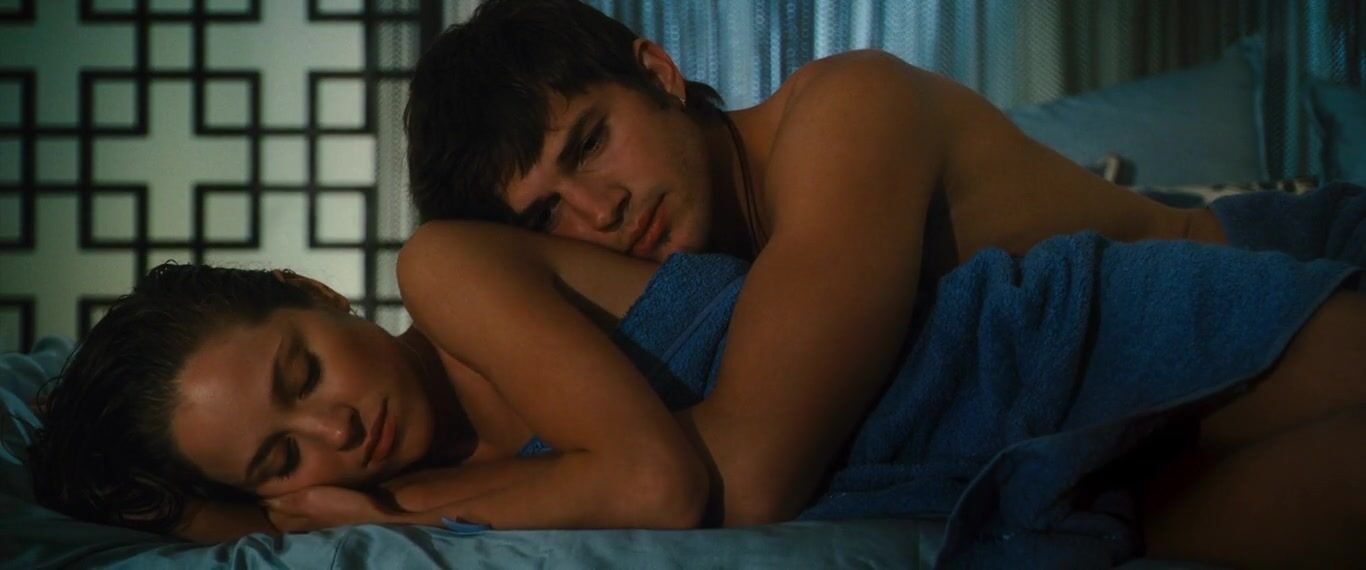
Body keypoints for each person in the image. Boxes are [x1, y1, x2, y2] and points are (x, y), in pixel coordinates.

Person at [28, 219, 1366, 566]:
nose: (332, 428)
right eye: (280, 453)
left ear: (310, 294)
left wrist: (370, 507)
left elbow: (659, 483)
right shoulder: (442, 497)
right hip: (1004, 486)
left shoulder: (446, 271)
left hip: (1030, 350)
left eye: (303, 373)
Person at [404, 0, 1239, 535]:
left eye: (591, 144)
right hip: (1147, 428)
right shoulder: (694, 290)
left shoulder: (845, 110)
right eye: (545, 216)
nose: (598, 211)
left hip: (1238, 282)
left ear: (659, 74)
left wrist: (398, 509)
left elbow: (752, 474)